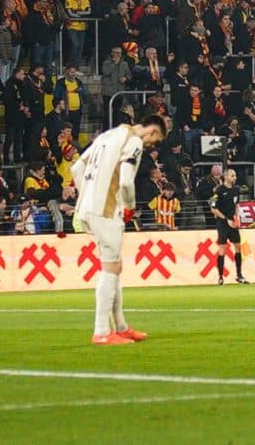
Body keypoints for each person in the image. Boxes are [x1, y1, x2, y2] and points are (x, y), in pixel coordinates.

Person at [71, 106, 168, 345]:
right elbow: (125, 180)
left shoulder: (107, 135)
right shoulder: (133, 141)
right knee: (109, 268)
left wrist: (87, 196)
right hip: (107, 209)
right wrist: (129, 206)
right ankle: (102, 331)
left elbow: (77, 168)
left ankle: (121, 327)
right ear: (152, 130)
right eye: (155, 140)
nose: (151, 145)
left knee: (114, 266)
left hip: (89, 207)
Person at [207, 165, 246, 284]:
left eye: (235, 175)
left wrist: (236, 217)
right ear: (225, 177)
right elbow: (213, 208)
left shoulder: (236, 190)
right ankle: (220, 276)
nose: (235, 177)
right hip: (222, 223)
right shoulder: (218, 190)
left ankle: (239, 275)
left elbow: (237, 204)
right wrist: (225, 219)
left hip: (232, 222)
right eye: (232, 175)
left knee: (238, 247)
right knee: (222, 249)